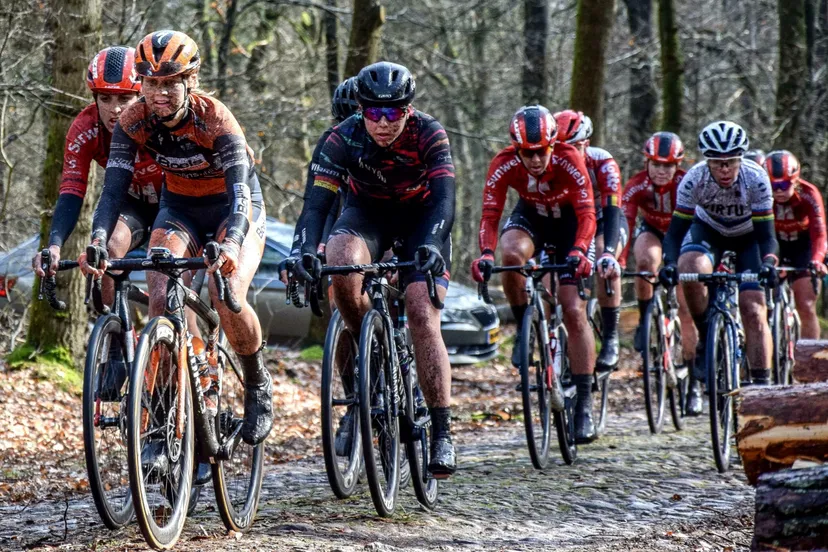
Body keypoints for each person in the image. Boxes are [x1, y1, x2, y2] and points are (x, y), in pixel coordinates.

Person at [83, 31, 272, 452]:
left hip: (234, 209)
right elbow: (112, 191)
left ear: (190, 81)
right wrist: (98, 238)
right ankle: (165, 416)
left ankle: (257, 380)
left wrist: (231, 244)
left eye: (170, 83)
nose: (159, 93)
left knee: (228, 296)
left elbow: (241, 192)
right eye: (150, 83)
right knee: (159, 299)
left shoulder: (215, 118)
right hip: (180, 209)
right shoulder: (133, 120)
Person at [291, 61, 458, 477]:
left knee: (421, 312)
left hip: (421, 221)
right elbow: (316, 206)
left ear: (408, 109)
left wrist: (433, 245)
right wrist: (304, 251)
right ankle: (370, 348)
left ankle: (441, 431)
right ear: (360, 110)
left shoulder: (430, 133)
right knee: (341, 267)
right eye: (373, 113)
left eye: (393, 113)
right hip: (368, 217)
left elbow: (443, 200)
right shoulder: (340, 137)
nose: (383, 123)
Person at [33, 46, 163, 400]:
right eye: (105, 99)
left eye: (124, 98)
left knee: (167, 282)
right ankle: (119, 344)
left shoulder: (158, 119)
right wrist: (56, 244)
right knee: (107, 248)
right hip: (135, 203)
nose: (115, 108)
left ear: (140, 95)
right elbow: (72, 190)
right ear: (94, 97)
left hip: (177, 203)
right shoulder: (85, 127)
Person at [470, 105, 599, 443]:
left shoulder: (570, 157)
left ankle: (583, 402)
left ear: (553, 146)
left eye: (541, 151)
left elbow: (587, 212)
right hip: (533, 219)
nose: (535, 159)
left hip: (571, 225)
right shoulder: (504, 163)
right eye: (527, 153)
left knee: (572, 309)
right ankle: (524, 323)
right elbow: (490, 214)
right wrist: (485, 253)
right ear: (517, 149)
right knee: (510, 254)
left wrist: (581, 250)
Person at [659, 121, 778, 387]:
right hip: (709, 231)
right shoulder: (693, 179)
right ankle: (706, 333)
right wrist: (669, 264)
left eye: (732, 162)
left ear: (741, 158)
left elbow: (767, 236)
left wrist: (769, 262)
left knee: (753, 308)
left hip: (749, 237)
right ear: (706, 161)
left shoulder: (756, 178)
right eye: (716, 162)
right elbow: (674, 234)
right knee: (689, 266)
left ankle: (761, 386)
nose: (725, 169)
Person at [619, 132, 701, 413]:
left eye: (668, 166)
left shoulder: (687, 182)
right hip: (653, 230)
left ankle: (693, 383)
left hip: (683, 235)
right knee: (645, 262)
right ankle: (645, 317)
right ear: (647, 162)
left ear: (677, 165)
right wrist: (617, 258)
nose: (661, 171)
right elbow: (625, 222)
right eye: (656, 164)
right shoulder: (636, 184)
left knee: (687, 309)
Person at [554, 110, 625, 372]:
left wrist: (607, 252)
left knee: (605, 261)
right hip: (572, 223)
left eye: (572, 147)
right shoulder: (552, 163)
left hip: (606, 219)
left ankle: (610, 337)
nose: (565, 154)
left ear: (586, 143)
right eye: (559, 148)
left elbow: (614, 208)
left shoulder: (602, 161)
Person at [281, 77, 360, 284]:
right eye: (343, 122)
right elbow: (315, 206)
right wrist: (300, 250)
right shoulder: (331, 141)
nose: (353, 131)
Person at [764, 150, 827, 338]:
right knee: (762, 304)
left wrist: (817, 260)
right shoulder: (761, 195)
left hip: (804, 246)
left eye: (783, 185)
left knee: (806, 304)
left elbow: (819, 233)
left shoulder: (809, 194)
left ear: (795, 180)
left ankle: (811, 363)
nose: (778, 192)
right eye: (772, 186)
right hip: (775, 244)